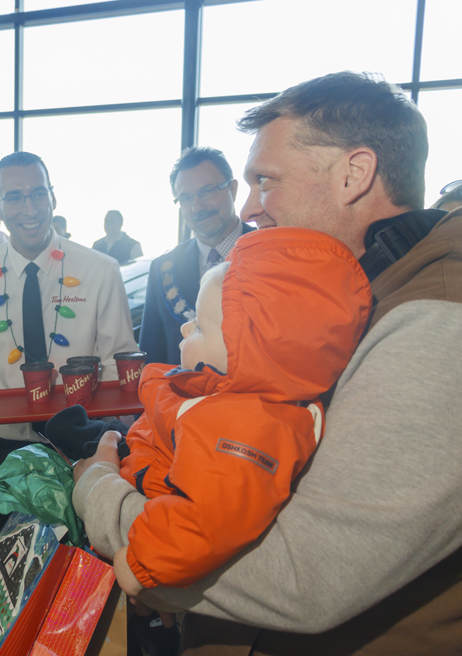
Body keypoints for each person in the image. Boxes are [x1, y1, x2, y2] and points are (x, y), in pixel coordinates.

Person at [73, 71, 462, 654]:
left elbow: (305, 576)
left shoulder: (436, 320)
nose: (249, 207)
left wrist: (101, 496)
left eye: (265, 181)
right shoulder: (359, 287)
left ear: (354, 174)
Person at [106, 228, 370, 600]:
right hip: (137, 459)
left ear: (242, 353)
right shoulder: (229, 397)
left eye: (198, 325)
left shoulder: (248, 428)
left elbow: (210, 520)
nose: (184, 327)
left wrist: (141, 565)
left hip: (144, 501)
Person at [0, 150, 137, 553]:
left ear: (53, 198)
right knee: (6, 577)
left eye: (37, 194)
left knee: (86, 578)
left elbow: (121, 358)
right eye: (14, 198)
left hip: (81, 448)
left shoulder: (100, 270)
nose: (28, 208)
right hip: (0, 448)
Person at [139, 147, 254, 365]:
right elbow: (152, 356)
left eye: (208, 191)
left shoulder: (271, 252)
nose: (197, 206)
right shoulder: (163, 269)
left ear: (233, 189)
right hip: (184, 399)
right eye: (185, 198)